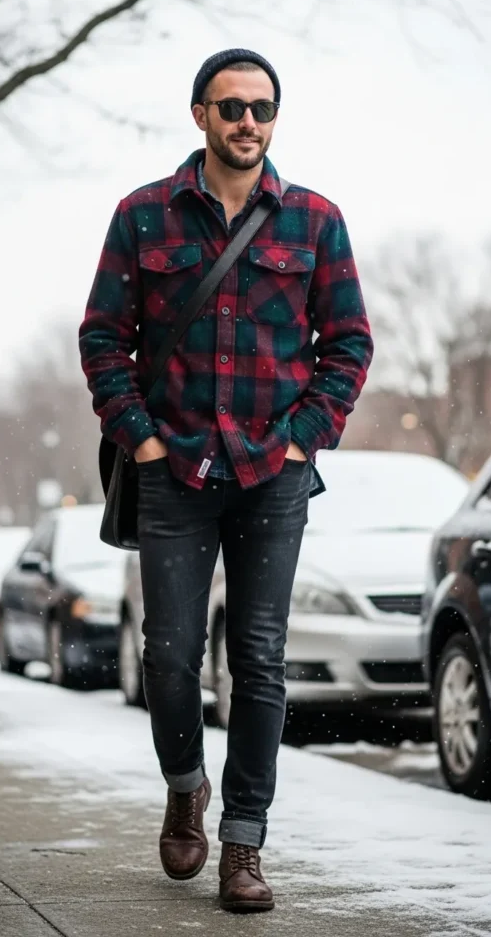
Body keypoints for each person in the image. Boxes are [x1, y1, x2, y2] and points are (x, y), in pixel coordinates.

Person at [79, 48, 373, 913]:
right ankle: (184, 784)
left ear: (274, 118)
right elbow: (103, 338)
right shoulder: (143, 217)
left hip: (272, 475)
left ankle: (243, 843)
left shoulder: (315, 220)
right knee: (168, 657)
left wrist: (303, 440)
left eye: (263, 108)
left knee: (259, 661)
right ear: (200, 114)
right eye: (232, 106)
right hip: (172, 468)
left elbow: (347, 344)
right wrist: (137, 440)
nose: (249, 121)